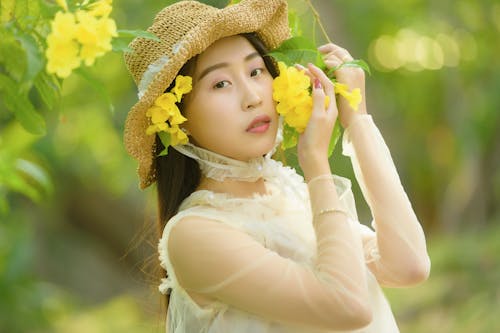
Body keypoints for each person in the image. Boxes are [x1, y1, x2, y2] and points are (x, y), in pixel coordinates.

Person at [123, 0, 431, 332]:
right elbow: (347, 306)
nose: (252, 96)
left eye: (256, 71)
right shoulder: (193, 234)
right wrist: (314, 162)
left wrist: (357, 118)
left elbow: (408, 265)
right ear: (179, 122)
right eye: (220, 84)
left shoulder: (293, 196)